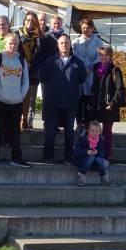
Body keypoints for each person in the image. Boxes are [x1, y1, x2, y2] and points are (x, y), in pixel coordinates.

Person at [40, 35, 87, 164]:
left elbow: (82, 79)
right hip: (52, 103)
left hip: (70, 103)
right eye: (61, 43)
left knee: (69, 132)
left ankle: (68, 157)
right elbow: (42, 78)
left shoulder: (78, 62)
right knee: (50, 131)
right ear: (57, 45)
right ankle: (48, 156)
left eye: (66, 42)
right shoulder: (50, 61)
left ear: (70, 44)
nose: (64, 45)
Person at [0, 33, 30, 167]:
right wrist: (0, 93)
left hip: (16, 101)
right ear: (5, 44)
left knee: (15, 132)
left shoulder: (21, 60)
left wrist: (21, 95)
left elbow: (26, 81)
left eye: (15, 43)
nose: (13, 46)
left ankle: (16, 158)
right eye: (10, 43)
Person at [90, 45, 126, 161]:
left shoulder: (115, 70)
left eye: (105, 54)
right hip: (97, 104)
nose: (103, 57)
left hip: (109, 105)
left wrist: (113, 103)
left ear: (110, 56)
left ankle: (107, 155)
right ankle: (93, 152)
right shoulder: (95, 68)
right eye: (101, 54)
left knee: (106, 131)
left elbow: (120, 88)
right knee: (93, 130)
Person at [16, 11, 47, 130]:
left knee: (29, 98)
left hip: (33, 71)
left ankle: (25, 120)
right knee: (18, 96)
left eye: (33, 21)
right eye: (28, 20)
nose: (30, 23)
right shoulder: (17, 34)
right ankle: (17, 120)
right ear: (24, 21)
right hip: (18, 69)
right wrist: (24, 62)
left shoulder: (40, 37)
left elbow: (41, 55)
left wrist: (33, 64)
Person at [73, 18, 103, 129]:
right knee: (79, 100)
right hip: (80, 75)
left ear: (92, 28)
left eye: (88, 28)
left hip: (92, 75)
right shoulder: (75, 42)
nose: (86, 30)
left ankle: (89, 124)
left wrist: (90, 68)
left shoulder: (98, 42)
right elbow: (74, 57)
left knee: (90, 101)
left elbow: (100, 57)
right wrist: (82, 68)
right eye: (83, 28)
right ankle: (79, 122)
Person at [74, 121, 112, 186]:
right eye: (92, 131)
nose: (94, 133)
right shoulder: (83, 139)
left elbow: (103, 153)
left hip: (97, 163)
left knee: (99, 159)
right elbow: (76, 153)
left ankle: (104, 178)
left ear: (100, 132)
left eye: (96, 131)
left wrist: (97, 152)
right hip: (84, 161)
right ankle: (81, 177)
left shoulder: (101, 140)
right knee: (91, 157)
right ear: (88, 131)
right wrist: (86, 152)